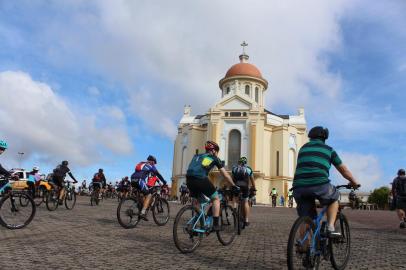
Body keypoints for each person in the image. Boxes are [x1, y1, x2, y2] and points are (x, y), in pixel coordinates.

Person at [292, 126, 359, 237]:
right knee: (334, 198)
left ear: (310, 137)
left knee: (306, 219)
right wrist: (353, 182)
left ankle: (303, 247)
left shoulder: (303, 148)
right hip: (319, 184)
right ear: (324, 138)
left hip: (299, 187)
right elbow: (344, 170)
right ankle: (330, 227)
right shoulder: (329, 150)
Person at [186, 141, 238, 231]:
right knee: (216, 198)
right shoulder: (214, 158)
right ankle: (216, 225)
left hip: (189, 180)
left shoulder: (197, 156)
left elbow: (197, 167)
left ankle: (193, 226)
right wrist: (233, 185)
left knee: (199, 203)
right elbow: (225, 175)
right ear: (214, 151)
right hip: (200, 179)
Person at [131, 155, 167, 220]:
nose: (154, 164)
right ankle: (142, 212)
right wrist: (164, 182)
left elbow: (138, 171)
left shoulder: (141, 163)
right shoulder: (151, 166)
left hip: (133, 179)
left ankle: (140, 207)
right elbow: (158, 174)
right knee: (149, 195)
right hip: (140, 180)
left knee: (142, 196)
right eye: (154, 163)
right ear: (152, 161)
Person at [231, 156, 256, 226]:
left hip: (236, 186)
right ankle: (246, 220)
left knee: (235, 198)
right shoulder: (248, 169)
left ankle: (235, 209)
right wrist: (254, 188)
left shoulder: (235, 168)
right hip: (245, 187)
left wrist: (232, 186)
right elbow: (252, 180)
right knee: (245, 202)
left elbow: (232, 178)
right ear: (246, 162)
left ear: (239, 162)